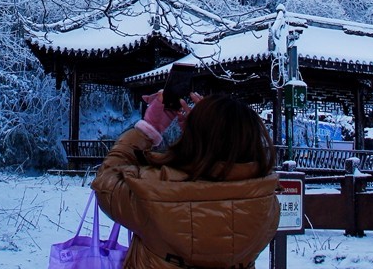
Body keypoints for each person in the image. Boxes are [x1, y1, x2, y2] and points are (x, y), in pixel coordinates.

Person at [91, 91, 280, 269]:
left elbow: (106, 182)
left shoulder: (151, 193)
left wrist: (149, 129)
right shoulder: (267, 204)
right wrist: (203, 133)